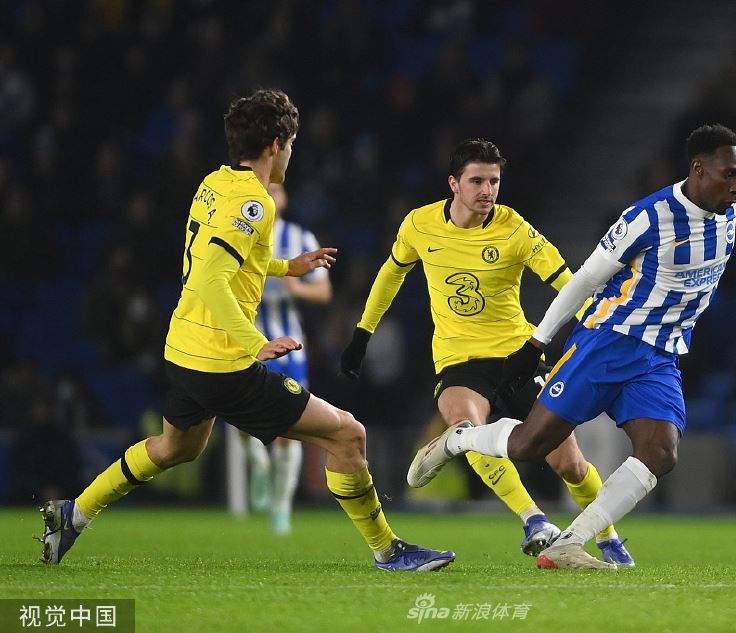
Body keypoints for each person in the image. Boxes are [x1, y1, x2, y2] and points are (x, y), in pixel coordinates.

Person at [40, 89, 454, 572]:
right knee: (348, 435)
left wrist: (286, 266)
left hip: (184, 350)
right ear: (276, 144)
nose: (292, 154)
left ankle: (74, 514)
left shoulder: (213, 183)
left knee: (176, 447)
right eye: (292, 144)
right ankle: (389, 551)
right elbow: (211, 279)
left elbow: (222, 259)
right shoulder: (256, 202)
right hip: (223, 363)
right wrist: (257, 342)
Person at [407, 124, 736, 569]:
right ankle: (458, 440)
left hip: (659, 356)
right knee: (529, 445)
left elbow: (730, 220)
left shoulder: (726, 205)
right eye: (729, 175)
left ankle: (570, 542)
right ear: (699, 170)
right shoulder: (647, 217)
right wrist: (536, 342)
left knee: (660, 452)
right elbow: (585, 279)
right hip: (608, 342)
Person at [341, 138, 633, 565]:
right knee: (464, 427)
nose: (487, 190)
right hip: (459, 360)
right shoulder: (419, 225)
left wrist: (605, 329)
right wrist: (362, 333)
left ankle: (608, 538)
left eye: (494, 181)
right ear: (453, 184)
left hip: (518, 357)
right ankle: (533, 519)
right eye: (477, 180)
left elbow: (568, 284)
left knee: (569, 464)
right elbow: (390, 274)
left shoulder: (515, 229)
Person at [242, 182, 332, 535]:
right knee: (239, 417)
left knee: (292, 426)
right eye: (265, 190)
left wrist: (297, 286)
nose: (271, 196)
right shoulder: (242, 233)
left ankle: (281, 509)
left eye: (276, 191)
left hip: (290, 344)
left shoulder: (299, 237)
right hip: (247, 340)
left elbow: (323, 290)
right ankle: (258, 463)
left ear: (284, 198)